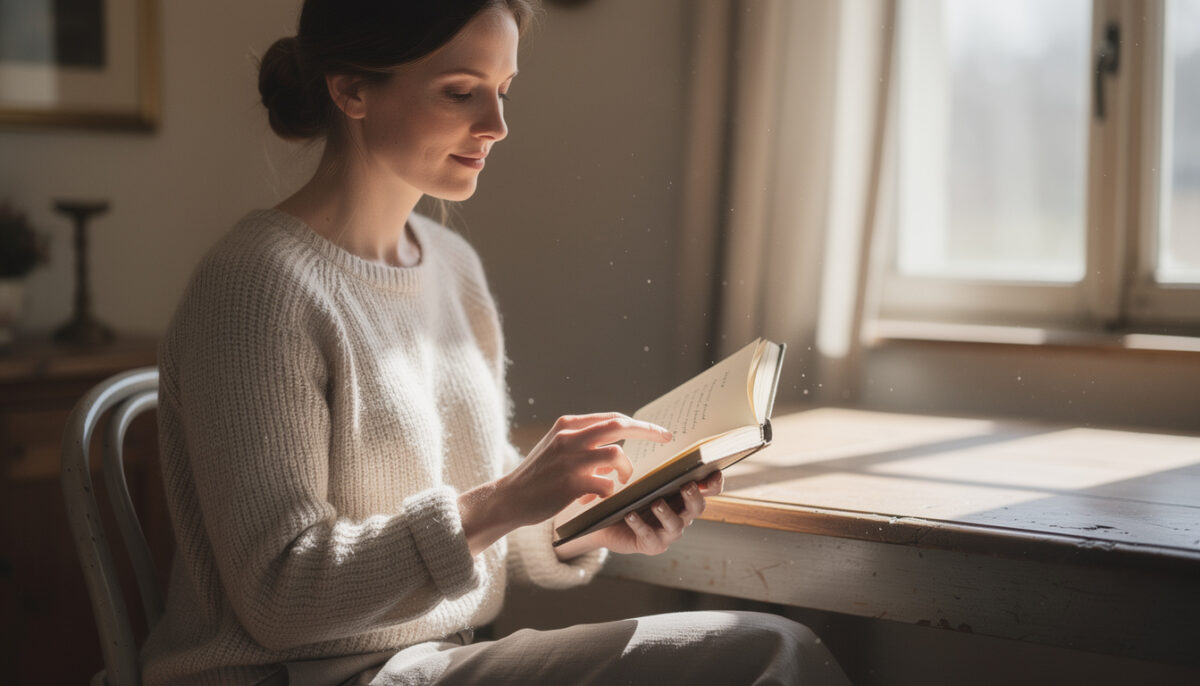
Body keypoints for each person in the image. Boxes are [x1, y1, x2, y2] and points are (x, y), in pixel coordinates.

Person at [141, 1, 851, 684]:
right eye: (460, 92)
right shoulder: (255, 286)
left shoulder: (453, 269)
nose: (497, 124)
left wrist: (585, 520)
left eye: (504, 90)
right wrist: (507, 499)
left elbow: (477, 531)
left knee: (763, 651)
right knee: (765, 653)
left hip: (430, 661)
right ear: (352, 89)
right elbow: (280, 595)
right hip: (292, 677)